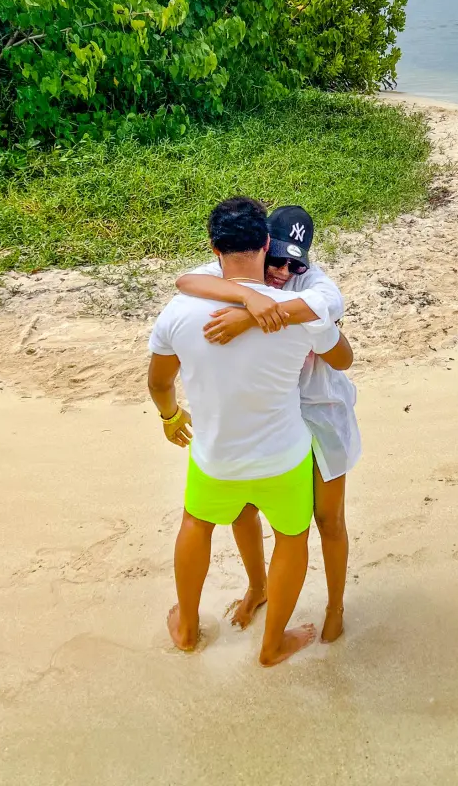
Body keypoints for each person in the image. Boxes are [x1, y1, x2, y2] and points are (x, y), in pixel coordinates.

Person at [148, 197, 353, 666]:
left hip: (216, 456)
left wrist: (171, 417)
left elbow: (159, 383)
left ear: (213, 247)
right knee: (292, 536)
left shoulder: (179, 311)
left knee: (196, 525)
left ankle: (186, 629)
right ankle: (272, 644)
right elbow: (342, 359)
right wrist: (306, 323)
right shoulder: (297, 309)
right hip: (283, 457)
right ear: (266, 243)